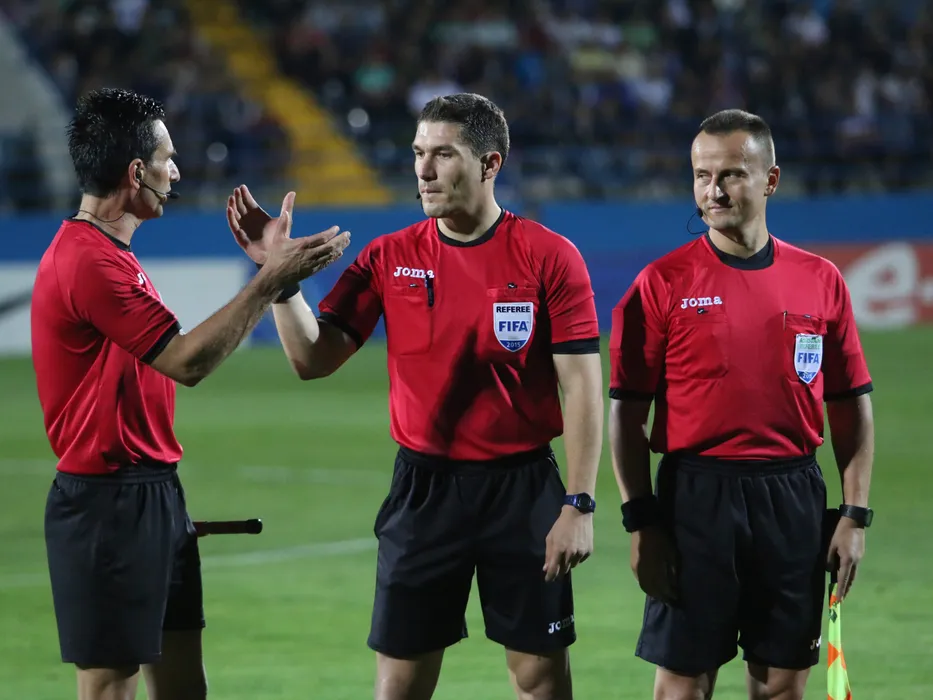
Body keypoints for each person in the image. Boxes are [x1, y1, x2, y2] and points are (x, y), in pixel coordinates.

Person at [226, 92, 603, 700]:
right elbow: (312, 359)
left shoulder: (549, 256)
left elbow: (581, 385)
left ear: (490, 163)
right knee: (399, 683)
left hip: (522, 489)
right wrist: (279, 280)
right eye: (418, 153)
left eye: (443, 154)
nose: (423, 170)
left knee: (539, 678)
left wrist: (578, 505)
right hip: (423, 493)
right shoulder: (389, 256)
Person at [31, 87, 349, 700]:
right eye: (167, 159)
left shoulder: (109, 254)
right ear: (136, 173)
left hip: (150, 493)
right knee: (109, 687)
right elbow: (188, 361)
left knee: (182, 688)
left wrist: (270, 274)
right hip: (106, 503)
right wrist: (271, 279)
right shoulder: (88, 262)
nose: (175, 172)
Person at [607, 109, 875, 700]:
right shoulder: (661, 283)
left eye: (730, 173)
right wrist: (641, 520)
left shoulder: (821, 279)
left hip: (792, 497)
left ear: (770, 180)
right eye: (702, 175)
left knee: (782, 685)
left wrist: (854, 515)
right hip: (695, 500)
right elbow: (625, 413)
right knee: (682, 686)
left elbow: (850, 403)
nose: (714, 190)